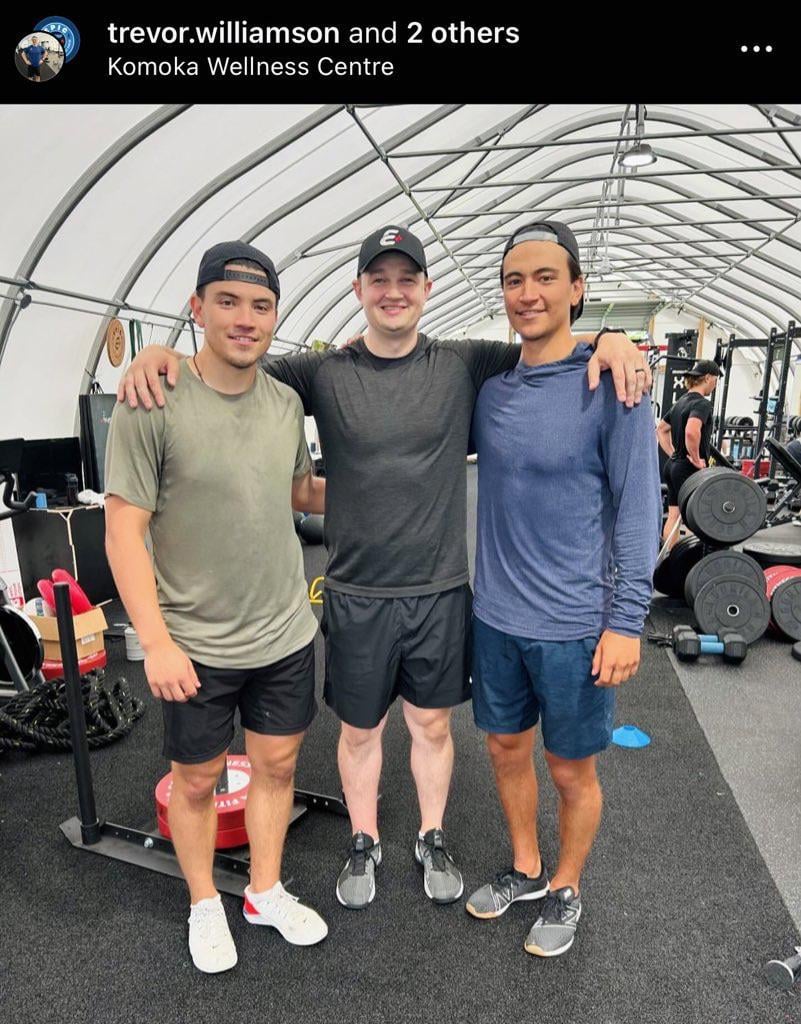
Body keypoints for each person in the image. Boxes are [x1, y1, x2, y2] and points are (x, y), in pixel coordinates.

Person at [117, 225, 650, 911]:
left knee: (437, 729)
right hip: (357, 592)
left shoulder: (467, 364)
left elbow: (547, 346)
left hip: (443, 593)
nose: (392, 292)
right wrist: (158, 353)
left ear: (427, 290)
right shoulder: (317, 373)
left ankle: (433, 835)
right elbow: (227, 364)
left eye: (407, 280)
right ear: (359, 290)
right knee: (364, 731)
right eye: (379, 280)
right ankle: (363, 838)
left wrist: (610, 339)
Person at [105, 242, 328, 974]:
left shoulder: (286, 403)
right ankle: (205, 901)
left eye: (260, 306)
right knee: (197, 781)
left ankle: (263, 890)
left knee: (276, 766)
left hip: (284, 632)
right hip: (194, 643)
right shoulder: (151, 401)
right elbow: (122, 531)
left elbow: (299, 493)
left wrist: (401, 477)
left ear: (274, 319)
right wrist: (156, 641)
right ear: (196, 308)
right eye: (227, 303)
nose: (245, 319)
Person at [465, 221, 661, 957]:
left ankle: (568, 885)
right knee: (504, 750)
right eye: (515, 279)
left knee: (569, 768)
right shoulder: (490, 393)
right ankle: (525, 865)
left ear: (576, 289)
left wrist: (626, 621)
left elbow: (639, 507)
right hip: (496, 617)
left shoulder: (615, 387)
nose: (528, 292)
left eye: (545, 277)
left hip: (578, 623)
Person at [656, 360, 721, 547]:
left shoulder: (680, 402)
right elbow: (692, 432)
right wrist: (695, 458)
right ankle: (693, 561)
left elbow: (661, 429)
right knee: (696, 517)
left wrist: (674, 454)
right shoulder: (702, 404)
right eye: (715, 380)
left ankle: (669, 558)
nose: (715, 385)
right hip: (689, 468)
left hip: (673, 467)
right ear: (707, 378)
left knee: (674, 515)